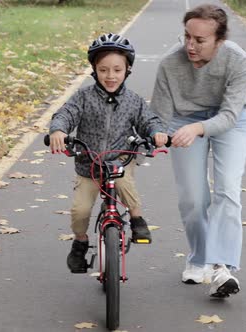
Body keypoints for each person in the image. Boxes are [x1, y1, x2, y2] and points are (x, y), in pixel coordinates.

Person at [149, 4, 246, 298]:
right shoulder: (170, 63)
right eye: (187, 37)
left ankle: (221, 268)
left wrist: (198, 129)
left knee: (228, 190)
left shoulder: (238, 61)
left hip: (230, 122)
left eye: (200, 40)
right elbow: (158, 114)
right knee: (193, 198)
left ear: (219, 40)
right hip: (183, 121)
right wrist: (157, 132)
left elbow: (230, 115)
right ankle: (198, 258)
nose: (190, 45)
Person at [49, 33, 168, 273]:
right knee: (81, 209)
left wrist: (157, 132)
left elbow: (149, 120)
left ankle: (136, 218)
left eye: (117, 70)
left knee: (124, 182)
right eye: (103, 70)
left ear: (127, 70)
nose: (110, 76)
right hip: (88, 165)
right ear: (94, 70)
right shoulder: (83, 97)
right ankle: (80, 243)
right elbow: (65, 114)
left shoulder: (133, 101)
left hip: (120, 160)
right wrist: (58, 130)